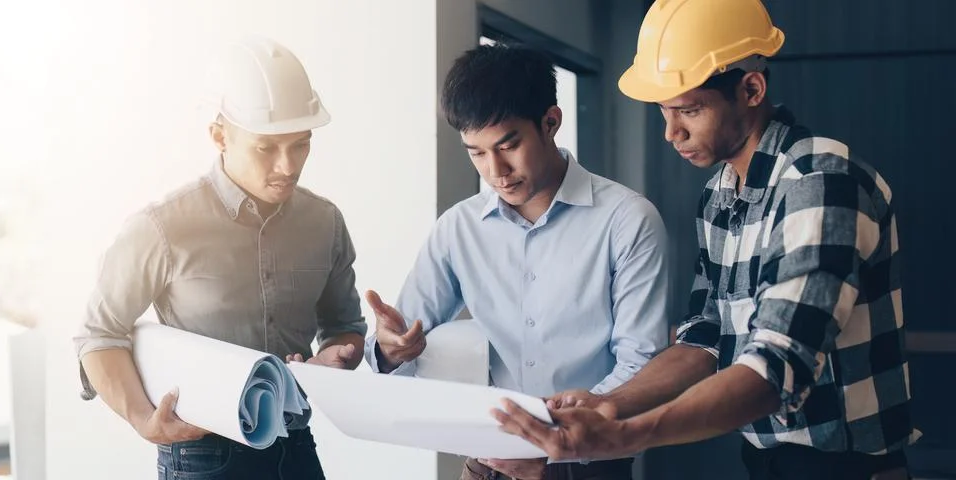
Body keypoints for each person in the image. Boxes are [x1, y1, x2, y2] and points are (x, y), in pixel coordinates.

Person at [492, 1, 920, 479]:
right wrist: (609, 405)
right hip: (766, 461)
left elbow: (778, 366)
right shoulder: (719, 195)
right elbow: (707, 336)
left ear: (751, 88)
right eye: (663, 112)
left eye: (689, 110)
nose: (671, 132)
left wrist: (627, 434)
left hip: (847, 468)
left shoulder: (820, 181)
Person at [362, 42, 670, 480]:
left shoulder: (627, 221)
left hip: (585, 465)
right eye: (476, 152)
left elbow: (642, 364)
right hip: (485, 467)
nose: (495, 171)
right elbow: (403, 349)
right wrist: (390, 350)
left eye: (508, 145)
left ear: (551, 122)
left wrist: (551, 440)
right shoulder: (458, 228)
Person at [73, 36, 366, 480]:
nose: (288, 166)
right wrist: (141, 419)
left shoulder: (324, 222)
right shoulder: (162, 227)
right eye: (267, 148)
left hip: (298, 446)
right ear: (219, 135)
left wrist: (335, 357)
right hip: (202, 457)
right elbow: (99, 335)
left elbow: (344, 327)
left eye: (301, 144)